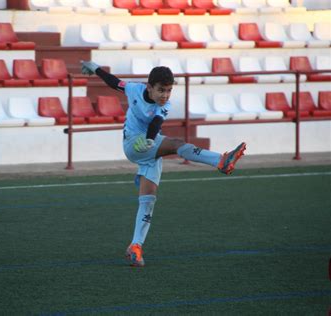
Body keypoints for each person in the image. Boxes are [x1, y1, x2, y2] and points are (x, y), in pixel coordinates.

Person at [81, 61, 246, 267]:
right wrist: (94, 67)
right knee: (177, 144)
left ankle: (135, 247)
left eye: (168, 91)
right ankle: (220, 161)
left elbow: (156, 124)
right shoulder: (134, 88)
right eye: (161, 90)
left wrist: (150, 140)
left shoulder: (163, 106)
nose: (165, 96)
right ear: (149, 87)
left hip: (148, 144)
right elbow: (113, 82)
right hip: (133, 144)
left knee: (148, 200)